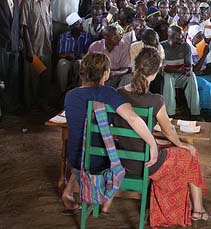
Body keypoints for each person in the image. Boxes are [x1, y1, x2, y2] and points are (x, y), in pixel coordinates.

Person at [114, 47, 210, 227]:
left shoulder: (119, 93)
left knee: (183, 151)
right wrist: (181, 144)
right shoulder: (155, 100)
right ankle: (198, 210)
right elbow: (169, 131)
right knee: (191, 154)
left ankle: (198, 208)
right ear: (157, 71)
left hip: (125, 159)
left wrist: (164, 142)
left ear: (136, 67)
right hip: (149, 163)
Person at [61, 52, 159, 216]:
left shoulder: (71, 95)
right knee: (123, 151)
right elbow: (132, 118)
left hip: (76, 157)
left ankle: (69, 193)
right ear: (106, 73)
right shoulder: (108, 93)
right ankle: (106, 200)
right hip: (97, 160)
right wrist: (152, 144)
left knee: (86, 147)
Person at [20, 0, 52, 111]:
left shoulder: (46, 0)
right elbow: (24, 27)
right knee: (32, 78)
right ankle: (31, 105)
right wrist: (29, 49)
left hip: (46, 46)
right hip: (34, 47)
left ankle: (42, 102)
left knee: (45, 76)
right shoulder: (27, 2)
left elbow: (49, 22)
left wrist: (50, 39)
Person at [161, 25, 201, 118]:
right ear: (171, 37)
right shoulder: (162, 46)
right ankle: (170, 113)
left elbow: (188, 63)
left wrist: (188, 69)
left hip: (180, 74)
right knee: (168, 78)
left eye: (183, 35)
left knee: (191, 76)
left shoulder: (185, 46)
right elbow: (162, 67)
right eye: (180, 36)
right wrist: (177, 70)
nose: (183, 37)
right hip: (166, 75)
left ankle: (195, 112)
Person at [0, 0, 21, 113]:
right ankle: (4, 107)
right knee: (2, 76)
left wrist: (18, 38)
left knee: (13, 76)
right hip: (2, 42)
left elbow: (16, 17)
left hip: (13, 41)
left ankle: (10, 106)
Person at [56, 12, 92, 93]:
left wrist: (80, 55)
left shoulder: (86, 36)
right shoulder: (63, 37)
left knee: (79, 64)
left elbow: (88, 53)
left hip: (81, 59)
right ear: (71, 27)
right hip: (67, 59)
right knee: (62, 64)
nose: (81, 26)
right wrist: (68, 55)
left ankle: (77, 90)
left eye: (80, 23)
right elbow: (59, 54)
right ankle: (63, 91)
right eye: (78, 24)